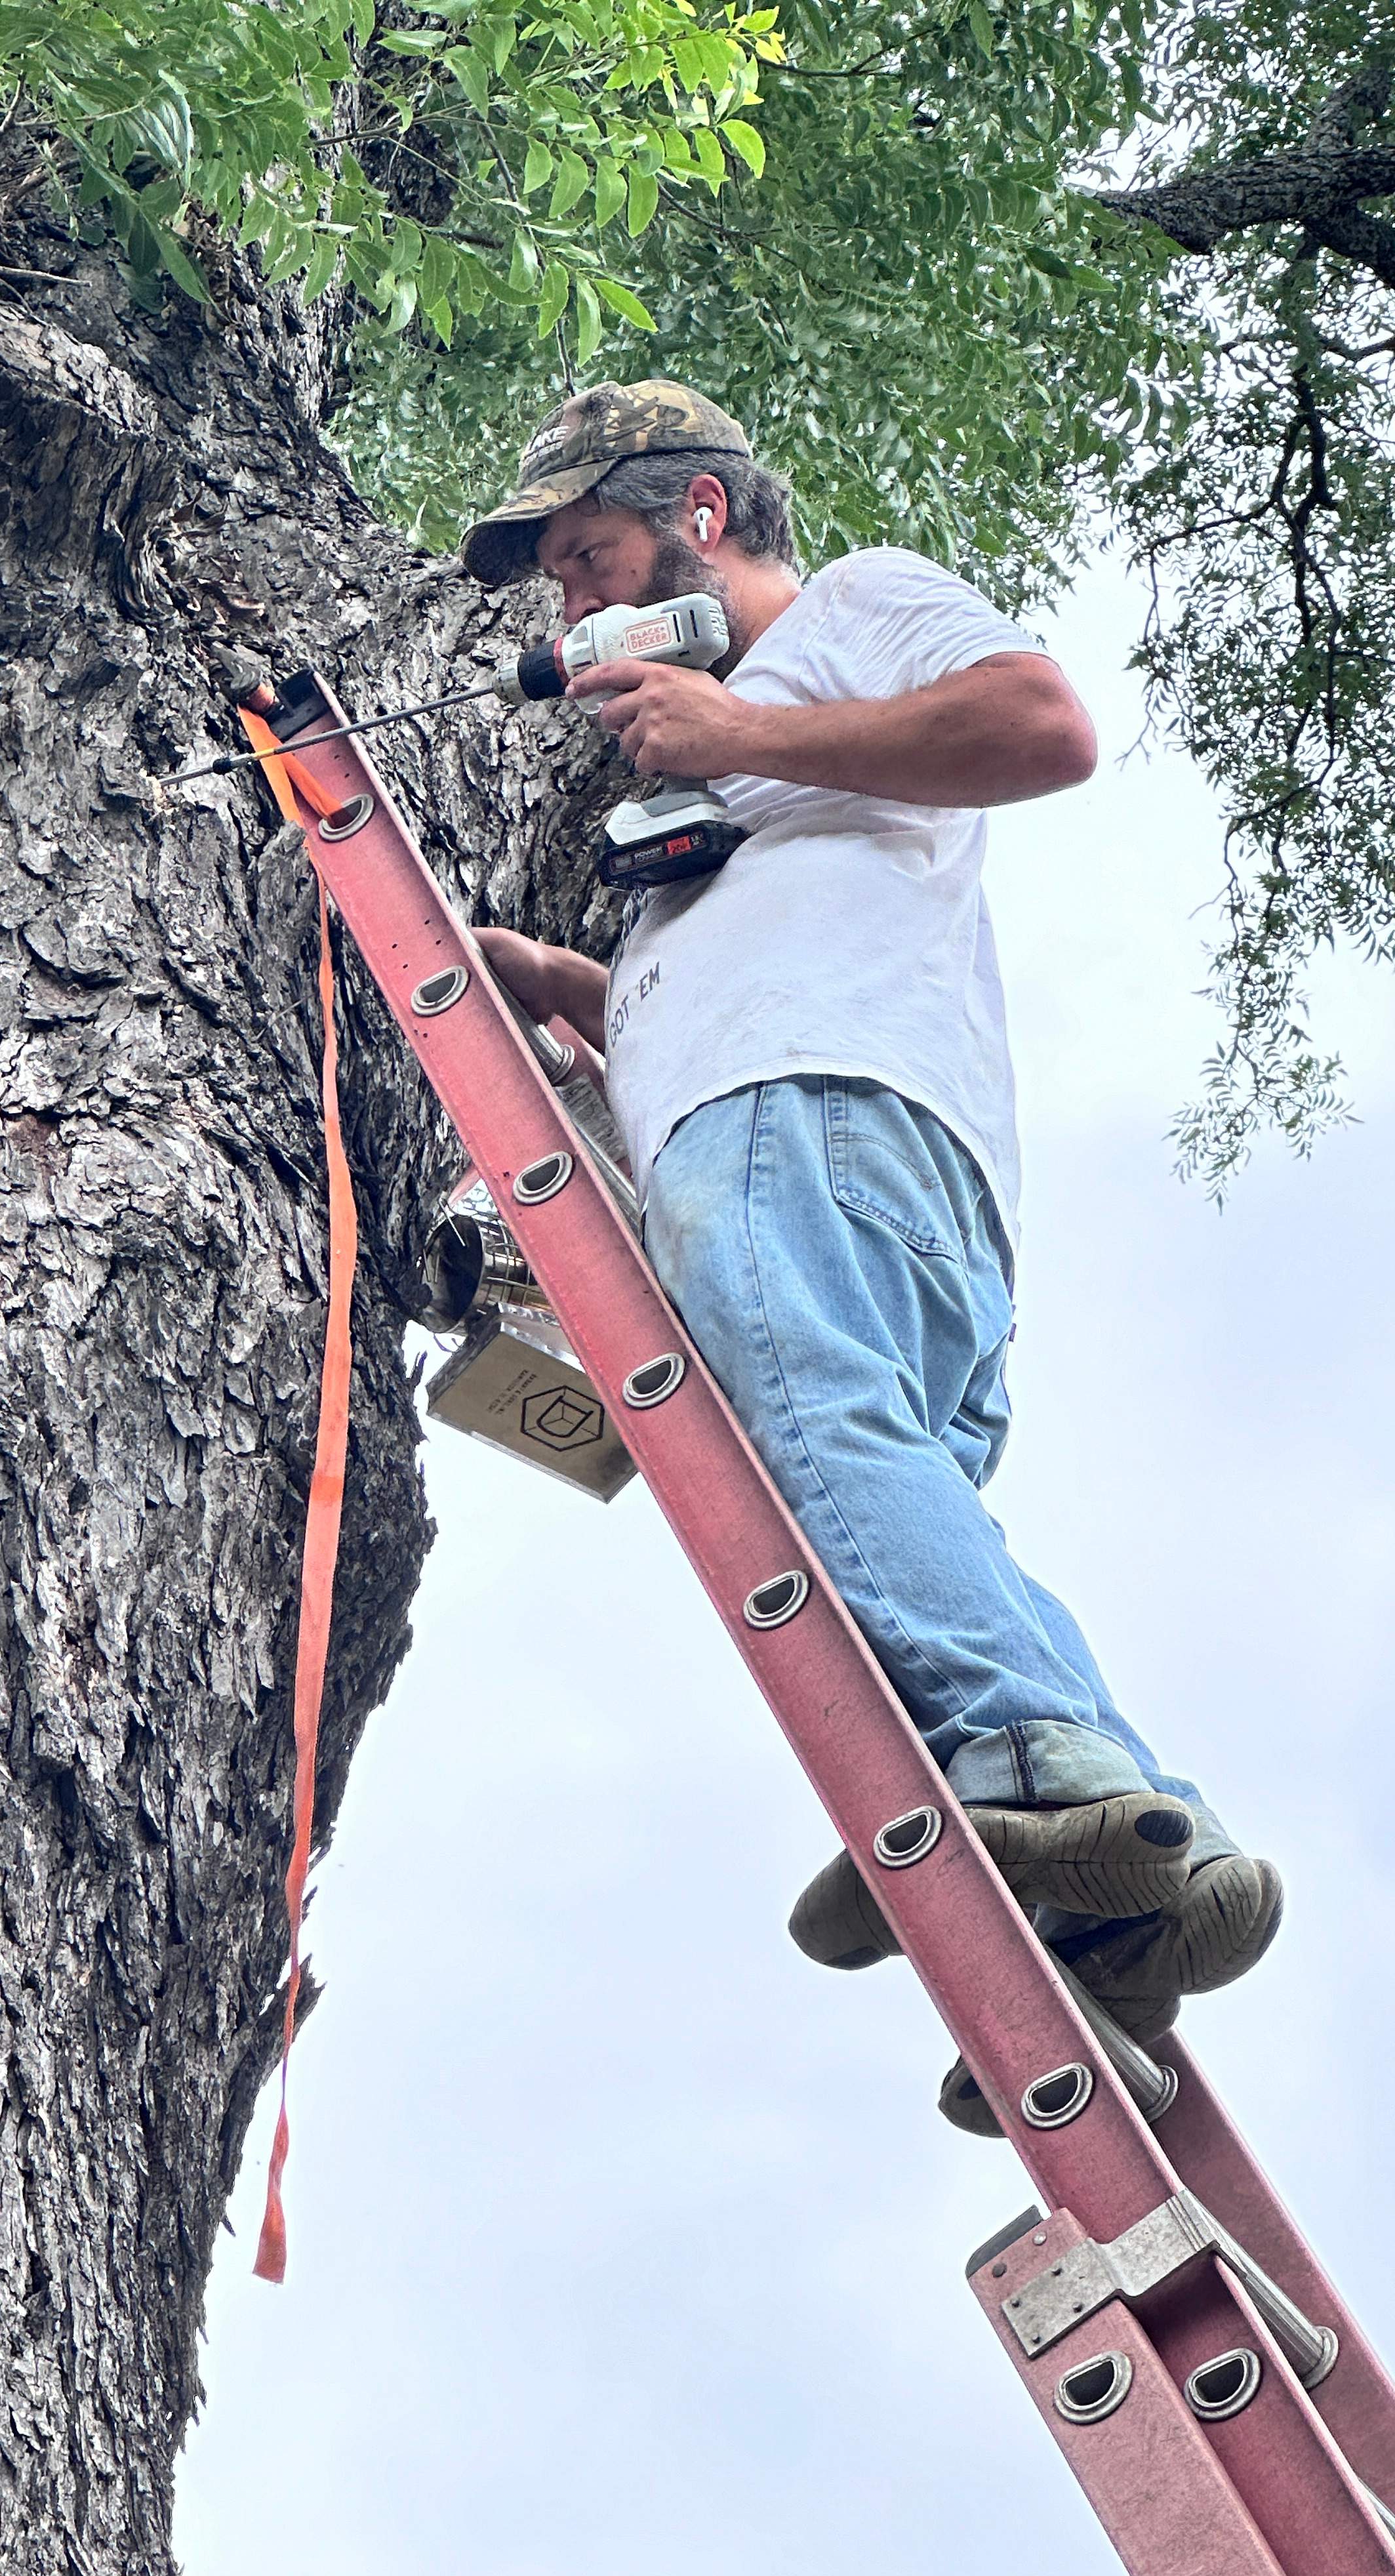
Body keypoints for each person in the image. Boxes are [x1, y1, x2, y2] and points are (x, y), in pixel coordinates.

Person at [458, 379, 1281, 2129]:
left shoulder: (846, 615)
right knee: (874, 1499)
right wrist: (585, 995)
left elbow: (1043, 726)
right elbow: (786, 939)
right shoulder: (752, 761)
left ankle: (1058, 1767)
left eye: (589, 561)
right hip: (856, 1151)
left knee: (827, 1437)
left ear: (697, 516)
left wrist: (735, 733)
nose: (574, 615)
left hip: (811, 1120)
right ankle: (1109, 1921)